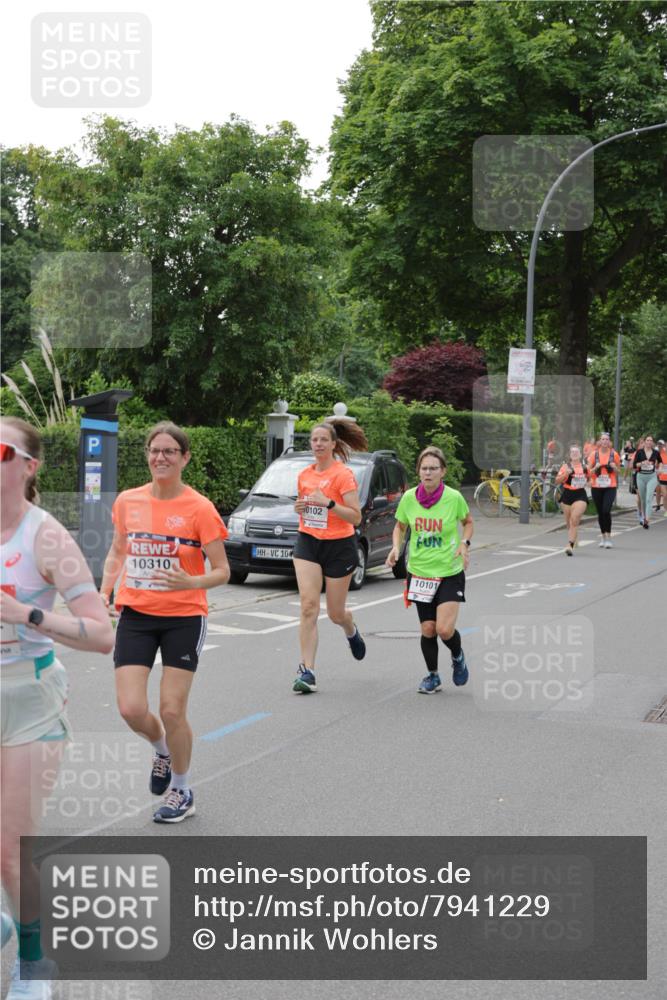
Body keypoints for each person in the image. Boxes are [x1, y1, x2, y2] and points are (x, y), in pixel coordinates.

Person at [1, 417, 114, 999]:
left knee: (12, 850)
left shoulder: (46, 539)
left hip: (30, 701)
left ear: (27, 467)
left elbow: (101, 635)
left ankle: (33, 960)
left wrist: (28, 616)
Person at [100, 422, 230, 823]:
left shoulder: (200, 508)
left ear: (184, 457)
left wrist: (192, 580)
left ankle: (182, 788)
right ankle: (162, 750)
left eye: (170, 451)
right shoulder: (128, 501)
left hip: (184, 617)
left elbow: (223, 570)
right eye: (155, 450)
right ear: (147, 455)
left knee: (172, 710)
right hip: (136, 614)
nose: (161, 457)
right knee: (130, 708)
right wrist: (105, 590)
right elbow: (118, 550)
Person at [386, 447, 473, 694]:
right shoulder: (409, 498)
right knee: (428, 628)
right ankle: (433, 676)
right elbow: (400, 526)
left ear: (443, 471)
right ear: (419, 471)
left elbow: (468, 523)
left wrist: (464, 544)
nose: (428, 472)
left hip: (448, 571)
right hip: (420, 572)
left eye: (433, 468)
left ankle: (457, 656)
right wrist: (395, 548)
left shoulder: (454, 498)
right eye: (424, 468)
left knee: (444, 629)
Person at [292, 419, 369, 694]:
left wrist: (330, 503)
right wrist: (299, 507)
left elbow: (355, 516)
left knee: (335, 613)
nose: (318, 445)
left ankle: (350, 628)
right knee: (308, 606)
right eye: (314, 440)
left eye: (324, 440)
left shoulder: (342, 475)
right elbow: (303, 508)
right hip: (308, 542)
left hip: (339, 546)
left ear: (334, 444)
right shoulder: (304, 475)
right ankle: (307, 671)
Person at [586, 432, 621, 548]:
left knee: (606, 510)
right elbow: (588, 472)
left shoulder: (614, 454)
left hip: (610, 486)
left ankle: (609, 537)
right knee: (600, 512)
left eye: (607, 439)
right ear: (600, 442)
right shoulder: (593, 455)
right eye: (602, 439)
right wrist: (595, 467)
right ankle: (603, 537)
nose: (605, 442)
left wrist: (615, 467)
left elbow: (618, 472)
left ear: (609, 442)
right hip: (597, 487)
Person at [555, 445, 590, 555]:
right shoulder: (565, 466)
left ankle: (569, 545)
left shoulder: (585, 467)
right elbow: (557, 480)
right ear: (570, 455)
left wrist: (589, 483)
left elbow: (590, 479)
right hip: (567, 494)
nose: (574, 453)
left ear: (580, 454)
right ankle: (574, 538)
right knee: (569, 523)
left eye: (576, 452)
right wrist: (566, 473)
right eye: (572, 452)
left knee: (574, 519)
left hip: (580, 495)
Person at [632, 434, 660, 529]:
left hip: (652, 477)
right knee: (643, 499)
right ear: (644, 442)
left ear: (652, 443)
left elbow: (660, 462)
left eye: (650, 440)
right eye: (647, 440)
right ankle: (644, 516)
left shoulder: (656, 452)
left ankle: (647, 520)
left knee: (649, 498)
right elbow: (634, 465)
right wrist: (642, 463)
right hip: (641, 477)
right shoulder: (639, 452)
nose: (649, 442)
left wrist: (659, 469)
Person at [654, 440, 667, 515]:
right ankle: (659, 505)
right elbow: (655, 465)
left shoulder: (663, 453)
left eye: (661, 445)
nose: (660, 446)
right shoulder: (658, 453)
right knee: (659, 491)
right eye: (659, 444)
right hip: (659, 476)